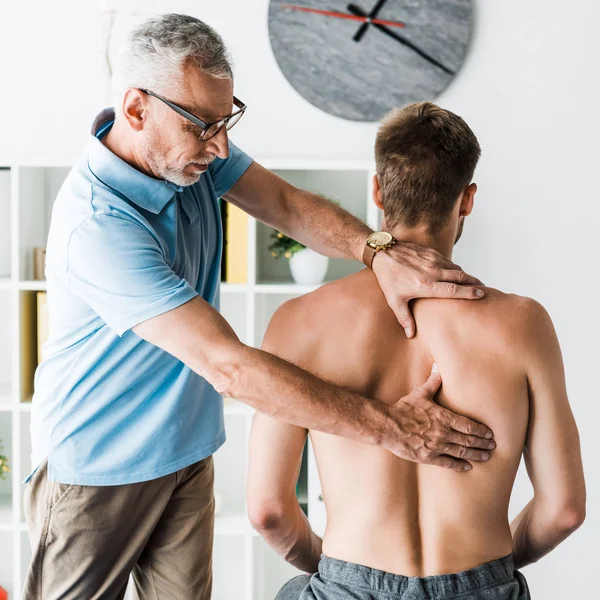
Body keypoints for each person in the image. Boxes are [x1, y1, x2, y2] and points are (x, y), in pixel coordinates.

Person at [23, 14, 496, 600]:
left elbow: (287, 205)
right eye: (204, 126)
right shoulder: (98, 228)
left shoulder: (186, 147)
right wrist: (393, 427)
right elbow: (229, 367)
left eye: (227, 121)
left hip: (184, 455)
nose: (220, 145)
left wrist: (377, 252)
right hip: (96, 471)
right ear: (137, 109)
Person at [247, 102, 586, 600]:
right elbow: (564, 509)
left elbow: (268, 510)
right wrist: (487, 572)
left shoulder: (298, 322)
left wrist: (341, 573)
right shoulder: (524, 324)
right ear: (467, 200)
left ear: (378, 191)